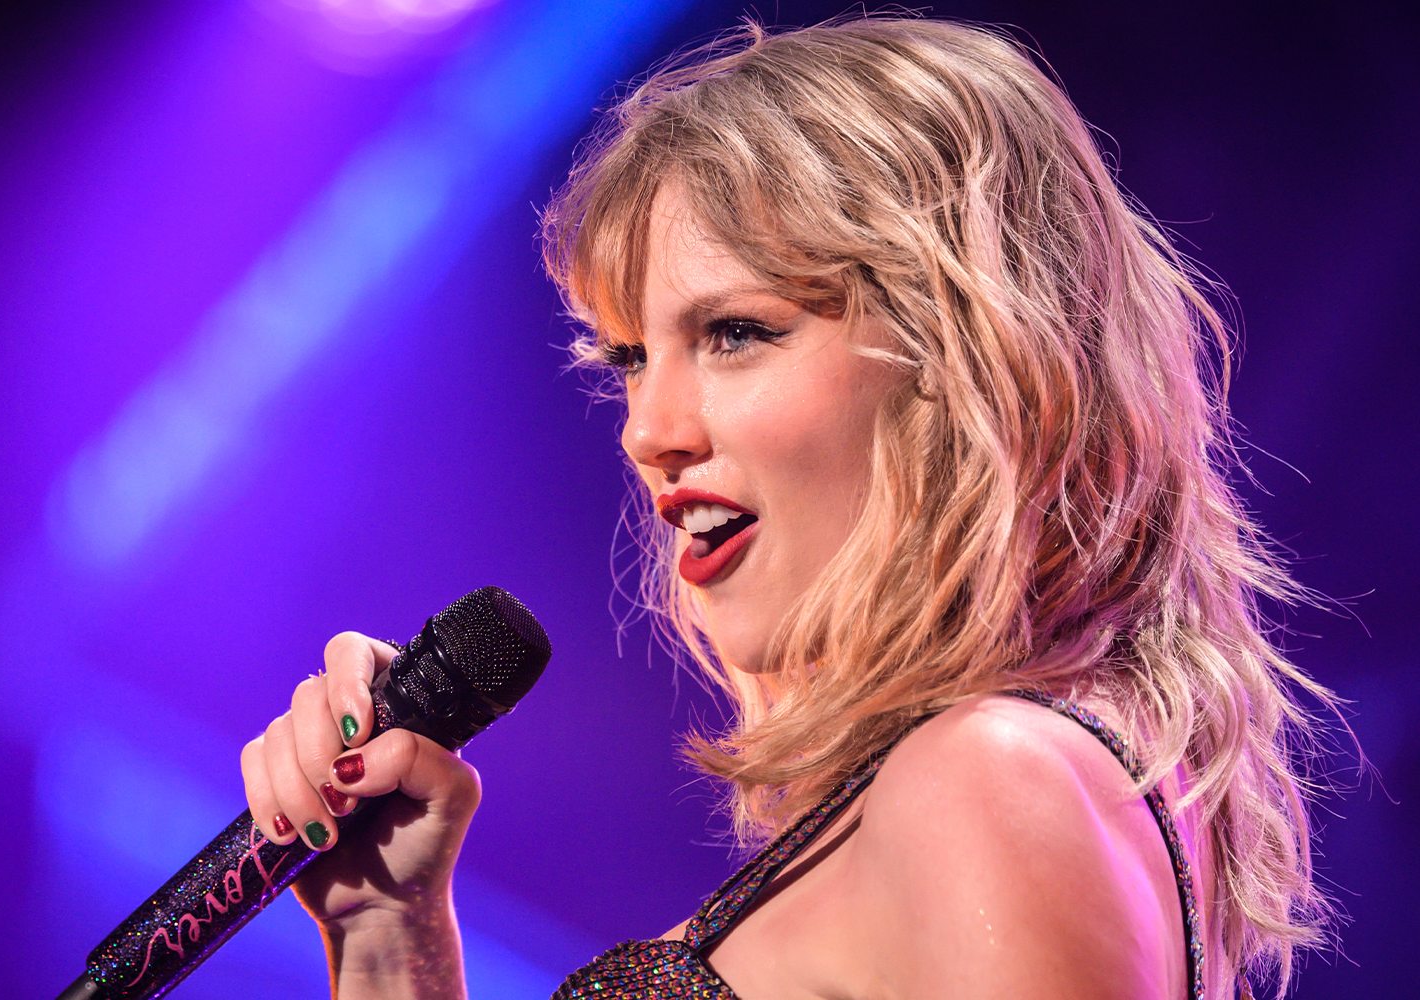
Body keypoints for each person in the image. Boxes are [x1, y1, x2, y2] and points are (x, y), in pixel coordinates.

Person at [237, 15, 1333, 1000]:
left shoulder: (988, 777)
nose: (646, 430)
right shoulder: (970, 784)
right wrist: (388, 935)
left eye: (736, 333)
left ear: (968, 358)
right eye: (629, 358)